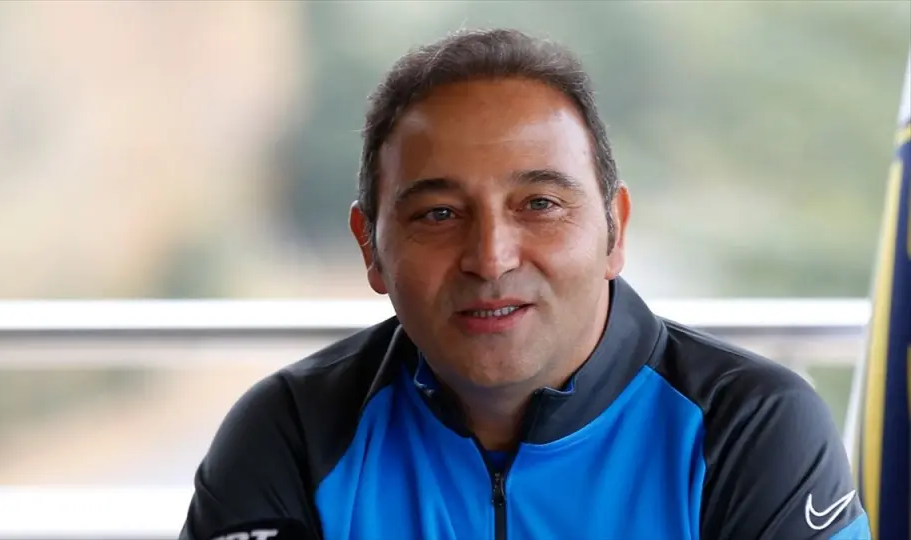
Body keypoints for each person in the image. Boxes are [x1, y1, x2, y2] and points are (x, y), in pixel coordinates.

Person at [179, 28, 870, 540]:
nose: (490, 257)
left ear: (614, 231)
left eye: (539, 204)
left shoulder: (747, 429)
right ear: (372, 247)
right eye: (439, 213)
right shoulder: (294, 434)